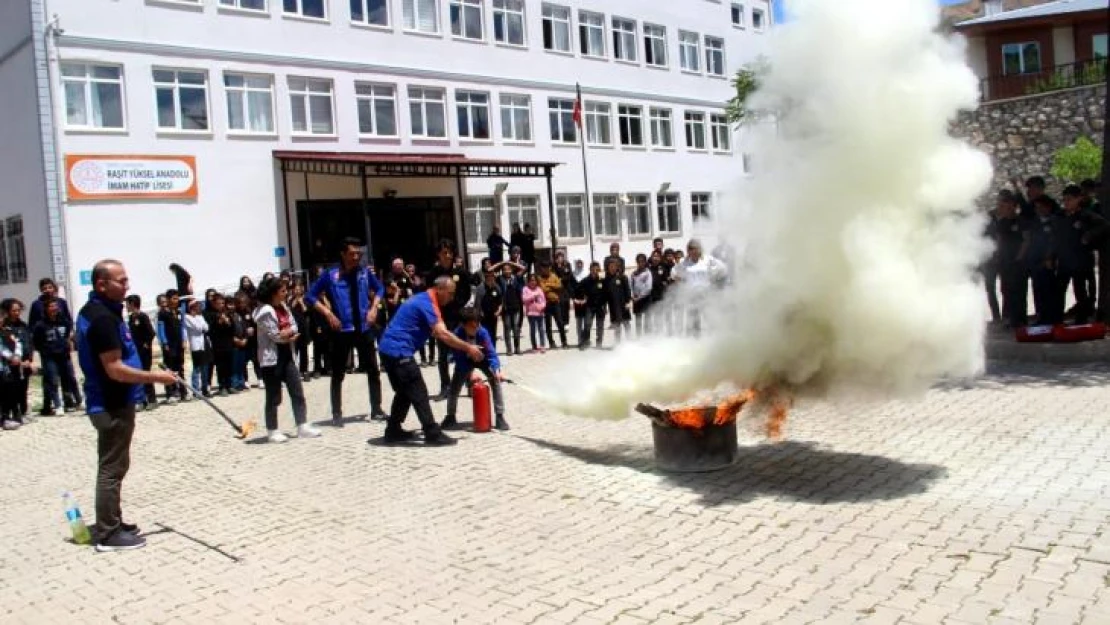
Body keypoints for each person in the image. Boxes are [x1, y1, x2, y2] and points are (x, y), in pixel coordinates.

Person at [75, 260, 179, 551]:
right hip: (110, 403)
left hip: (115, 401)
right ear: (101, 285)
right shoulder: (102, 319)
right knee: (111, 468)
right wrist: (155, 377)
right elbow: (115, 369)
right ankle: (108, 534)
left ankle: (113, 520)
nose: (127, 285)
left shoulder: (101, 311)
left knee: (117, 466)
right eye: (120, 280)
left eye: (126, 279)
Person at [377, 276, 483, 446]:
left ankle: (393, 431)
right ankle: (432, 433)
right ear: (439, 289)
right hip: (399, 352)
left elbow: (442, 334)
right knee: (419, 392)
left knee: (405, 392)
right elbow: (442, 334)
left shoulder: (424, 299)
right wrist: (469, 348)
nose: (452, 297)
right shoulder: (427, 304)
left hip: (388, 350)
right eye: (450, 293)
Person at [306, 237, 387, 424]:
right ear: (343, 254)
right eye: (352, 253)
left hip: (364, 328)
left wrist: (374, 307)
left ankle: (376, 408)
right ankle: (336, 413)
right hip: (342, 330)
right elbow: (310, 296)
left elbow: (380, 288)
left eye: (359, 253)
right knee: (338, 372)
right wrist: (327, 313)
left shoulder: (365, 272)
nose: (356, 257)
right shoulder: (330, 274)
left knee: (373, 370)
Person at [254, 277, 321, 443]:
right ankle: (272, 430)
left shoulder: (283, 307)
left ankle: (302, 425)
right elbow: (275, 335)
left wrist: (288, 332)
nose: (286, 293)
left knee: (297, 391)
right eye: (283, 291)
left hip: (287, 355)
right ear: (273, 293)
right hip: (272, 359)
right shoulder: (265, 312)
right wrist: (287, 334)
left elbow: (294, 325)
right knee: (274, 396)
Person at [441, 307, 509, 431]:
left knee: (496, 382)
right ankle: (450, 416)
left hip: (483, 359)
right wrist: (470, 375)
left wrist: (496, 370)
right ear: (463, 324)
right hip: (464, 361)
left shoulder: (482, 332)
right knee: (454, 387)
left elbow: (491, 353)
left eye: (477, 325)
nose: (475, 328)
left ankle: (500, 415)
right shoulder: (457, 334)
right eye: (472, 326)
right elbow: (458, 357)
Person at [424, 240, 474, 400]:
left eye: (450, 252)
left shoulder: (461, 272)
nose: (448, 255)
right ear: (439, 254)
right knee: (443, 355)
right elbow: (429, 296)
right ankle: (445, 386)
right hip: (441, 318)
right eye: (444, 252)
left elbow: (467, 292)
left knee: (463, 351)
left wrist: (458, 304)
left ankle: (468, 383)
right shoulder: (433, 274)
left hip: (458, 317)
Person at [1058, 184, 1109, 324]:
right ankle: (1056, 317)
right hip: (1064, 259)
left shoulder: (1086, 215)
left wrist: (1089, 235)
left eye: (1070, 199)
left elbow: (1104, 225)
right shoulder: (1061, 216)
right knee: (1059, 289)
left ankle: (1082, 317)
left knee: (1080, 290)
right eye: (1065, 200)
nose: (1067, 203)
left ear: (1078, 199)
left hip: (1081, 259)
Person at [33, 297, 84, 416]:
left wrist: (67, 345)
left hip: (64, 355)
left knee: (70, 378)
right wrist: (45, 351)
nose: (54, 308)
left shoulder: (63, 321)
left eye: (55, 306)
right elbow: (37, 341)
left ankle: (77, 401)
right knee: (53, 380)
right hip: (49, 356)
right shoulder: (41, 325)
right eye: (51, 306)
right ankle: (57, 405)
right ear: (46, 309)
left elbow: (67, 335)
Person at [673, 239, 728, 336]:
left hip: (706, 294)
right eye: (691, 249)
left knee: (710, 317)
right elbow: (673, 272)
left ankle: (715, 338)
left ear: (700, 249)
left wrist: (715, 280)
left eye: (695, 248)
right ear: (688, 250)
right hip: (691, 295)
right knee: (693, 319)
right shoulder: (684, 262)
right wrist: (678, 278)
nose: (693, 251)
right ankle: (695, 339)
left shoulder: (708, 259)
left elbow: (723, 268)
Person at [125, 295, 159, 410]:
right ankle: (141, 399)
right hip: (135, 351)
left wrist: (146, 343)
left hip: (144, 351)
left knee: (145, 374)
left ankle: (152, 399)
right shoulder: (131, 318)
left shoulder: (143, 316)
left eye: (127, 304)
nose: (126, 306)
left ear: (133, 304)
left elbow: (151, 332)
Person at [2, 299, 35, 417]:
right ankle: (12, 413)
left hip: (24, 363)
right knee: (11, 389)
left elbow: (29, 343)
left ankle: (24, 410)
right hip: (10, 364)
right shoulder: (4, 327)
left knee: (23, 388)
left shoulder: (23, 326)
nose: (16, 312)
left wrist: (29, 359)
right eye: (14, 310)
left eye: (18, 310)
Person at [157, 290, 187, 403]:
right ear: (169, 299)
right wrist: (164, 342)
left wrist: (184, 339)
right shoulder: (163, 313)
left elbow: (183, 326)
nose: (176, 300)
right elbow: (161, 329)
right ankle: (171, 393)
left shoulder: (178, 311)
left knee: (180, 367)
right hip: (169, 345)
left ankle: (183, 391)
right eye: (174, 298)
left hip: (179, 344)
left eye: (177, 298)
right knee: (169, 369)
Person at [207, 294, 238, 395]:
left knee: (229, 365)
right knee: (221, 366)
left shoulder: (227, 314)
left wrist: (228, 322)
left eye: (222, 303)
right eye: (218, 303)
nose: (221, 305)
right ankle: (222, 386)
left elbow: (233, 328)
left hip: (228, 343)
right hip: (218, 345)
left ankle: (229, 385)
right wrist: (219, 322)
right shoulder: (211, 314)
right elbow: (210, 330)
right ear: (214, 304)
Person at [575, 262, 608, 349]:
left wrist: (605, 306)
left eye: (597, 270)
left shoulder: (602, 280)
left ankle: (599, 343)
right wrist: (582, 298)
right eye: (593, 269)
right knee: (587, 324)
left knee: (600, 325)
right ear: (590, 270)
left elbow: (605, 294)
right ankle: (585, 342)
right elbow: (577, 289)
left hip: (600, 306)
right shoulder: (585, 281)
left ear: (599, 270)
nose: (595, 271)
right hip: (589, 306)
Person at [183, 300, 211, 397]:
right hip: (194, 346)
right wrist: (201, 324)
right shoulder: (187, 317)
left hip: (202, 345)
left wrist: (201, 323)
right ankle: (196, 389)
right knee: (196, 368)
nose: (197, 308)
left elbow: (206, 328)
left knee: (204, 368)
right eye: (195, 306)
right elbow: (198, 327)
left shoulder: (200, 316)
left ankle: (205, 389)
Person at [537, 262, 567, 349]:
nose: (544, 270)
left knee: (560, 323)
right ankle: (551, 343)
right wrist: (553, 287)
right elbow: (543, 289)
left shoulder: (554, 276)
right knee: (548, 325)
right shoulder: (539, 278)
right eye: (543, 268)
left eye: (546, 268)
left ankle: (564, 341)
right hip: (546, 304)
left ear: (549, 268)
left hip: (555, 302)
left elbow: (560, 286)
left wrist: (549, 284)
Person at [603, 258, 632, 343]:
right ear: (607, 267)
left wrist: (629, 302)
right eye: (610, 266)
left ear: (617, 267)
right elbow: (605, 295)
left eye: (614, 266)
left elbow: (627, 290)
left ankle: (629, 342)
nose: (612, 268)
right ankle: (618, 344)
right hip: (613, 306)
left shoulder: (623, 277)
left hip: (623, 305)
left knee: (626, 323)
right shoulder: (606, 280)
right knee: (616, 325)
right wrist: (604, 307)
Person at [498, 263, 523, 355]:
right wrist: (502, 263)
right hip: (506, 308)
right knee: (507, 328)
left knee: (516, 328)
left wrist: (511, 263)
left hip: (516, 307)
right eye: (504, 269)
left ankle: (517, 348)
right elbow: (490, 270)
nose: (507, 271)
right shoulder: (500, 279)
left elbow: (523, 268)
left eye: (509, 269)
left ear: (512, 270)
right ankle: (509, 349)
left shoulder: (516, 278)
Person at [522, 274, 547, 353]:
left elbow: (544, 300)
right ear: (528, 281)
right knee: (533, 330)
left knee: (541, 329)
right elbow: (524, 299)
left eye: (534, 280)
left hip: (539, 312)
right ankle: (534, 346)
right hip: (531, 313)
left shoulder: (539, 289)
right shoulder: (525, 289)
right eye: (531, 280)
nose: (533, 282)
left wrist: (542, 306)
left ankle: (542, 345)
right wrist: (533, 296)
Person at [631, 254, 654, 337]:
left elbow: (649, 287)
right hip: (636, 299)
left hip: (645, 298)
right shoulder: (634, 273)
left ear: (645, 262)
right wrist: (632, 296)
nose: (640, 263)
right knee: (638, 319)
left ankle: (647, 338)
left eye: (642, 261)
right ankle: (639, 337)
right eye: (638, 261)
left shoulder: (648, 273)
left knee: (647, 319)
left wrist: (640, 297)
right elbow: (631, 286)